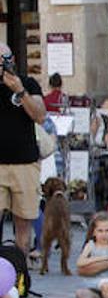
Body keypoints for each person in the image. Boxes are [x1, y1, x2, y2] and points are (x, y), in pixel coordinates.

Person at [0, 43, 47, 259]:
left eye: (4, 59)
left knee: (23, 224)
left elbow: (39, 115)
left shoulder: (28, 83)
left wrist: (20, 91)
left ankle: (20, 277)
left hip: (25, 164)